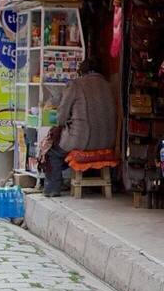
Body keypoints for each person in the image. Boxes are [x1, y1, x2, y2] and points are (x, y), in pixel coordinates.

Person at [38, 59, 117, 196]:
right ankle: (91, 185)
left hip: (82, 140)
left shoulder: (76, 85)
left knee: (51, 153)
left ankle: (53, 189)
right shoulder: (110, 86)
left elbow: (61, 117)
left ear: (81, 71)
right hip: (109, 140)